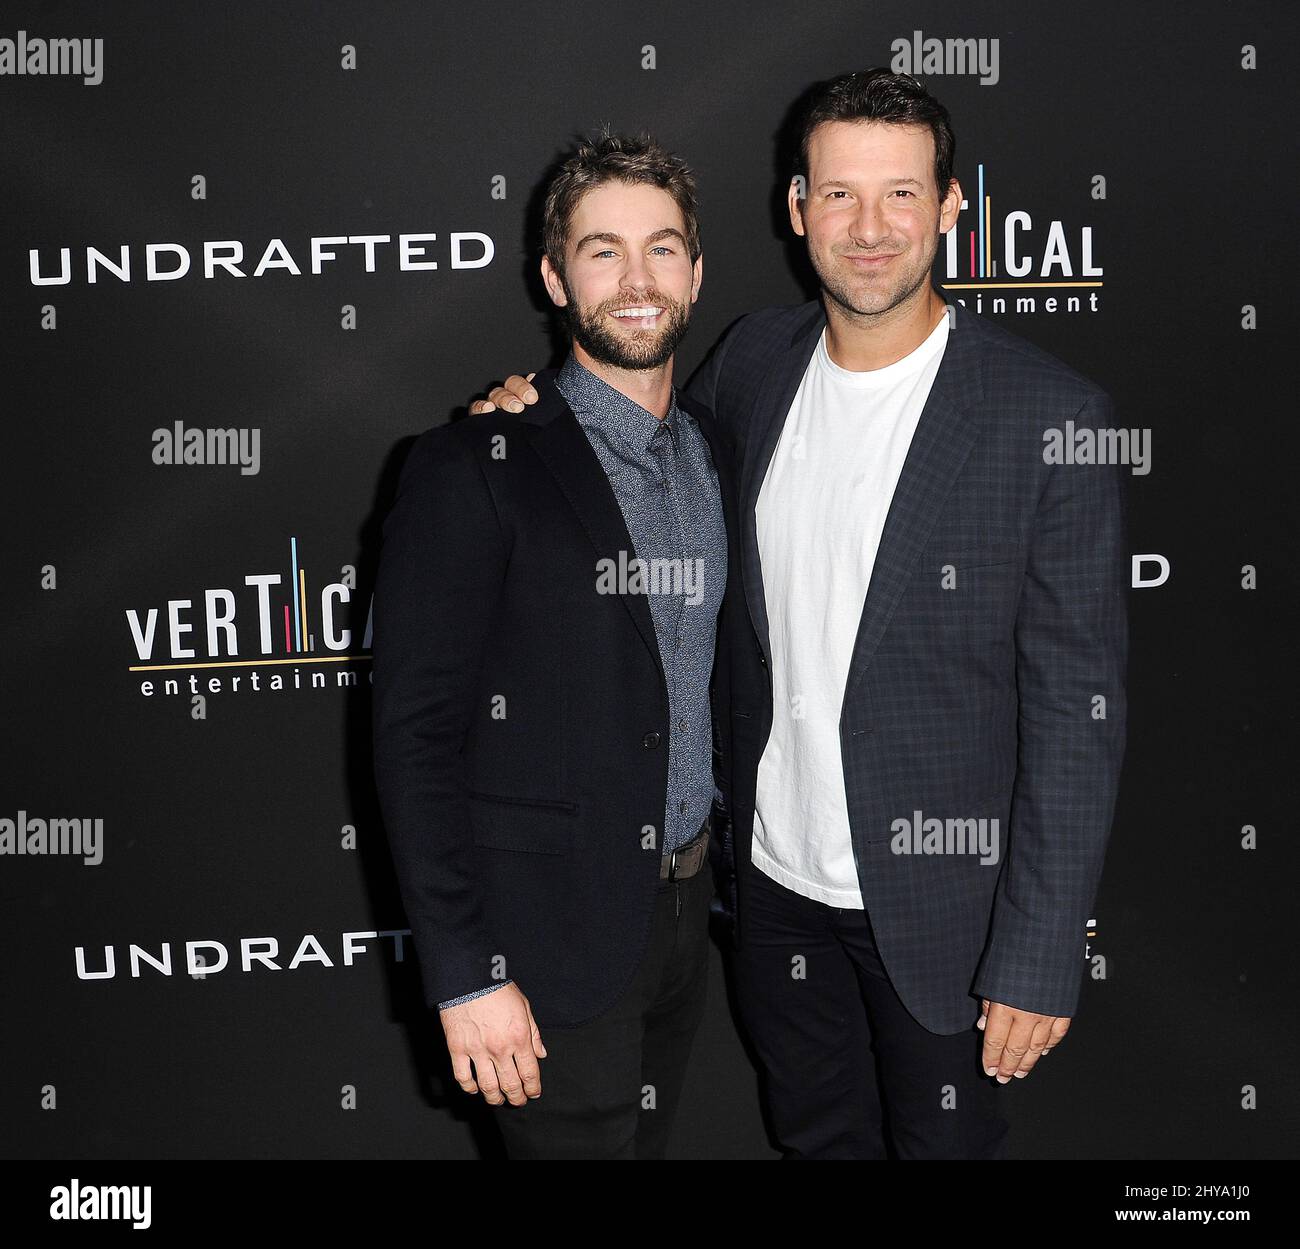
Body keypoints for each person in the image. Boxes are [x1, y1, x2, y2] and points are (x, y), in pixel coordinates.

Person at [472, 69, 1128, 1159]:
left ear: (953, 207)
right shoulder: (752, 364)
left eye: (901, 195)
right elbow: (626, 434)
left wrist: (1040, 949)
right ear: (794, 208)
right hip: (772, 893)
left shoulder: (1047, 418)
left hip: (946, 917)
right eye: (837, 196)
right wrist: (525, 407)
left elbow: (1078, 711)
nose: (868, 229)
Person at [372, 130, 735, 1159]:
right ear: (552, 274)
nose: (634, 279)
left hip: (685, 916)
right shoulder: (476, 463)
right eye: (601, 250)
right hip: (542, 937)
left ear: (696, 273)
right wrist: (465, 969)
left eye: (661, 248)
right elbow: (414, 738)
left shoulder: (718, 450)